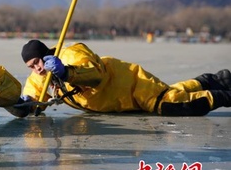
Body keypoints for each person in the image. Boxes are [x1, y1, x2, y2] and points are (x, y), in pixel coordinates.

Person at [19, 39, 231, 116]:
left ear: (46, 54)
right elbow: (34, 96)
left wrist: (67, 72)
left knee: (169, 104)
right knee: (171, 93)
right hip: (121, 103)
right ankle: (213, 80)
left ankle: (224, 96)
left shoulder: (70, 54)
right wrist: (26, 104)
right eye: (31, 66)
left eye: (38, 62)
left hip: (131, 85)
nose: (37, 69)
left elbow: (95, 75)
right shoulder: (40, 76)